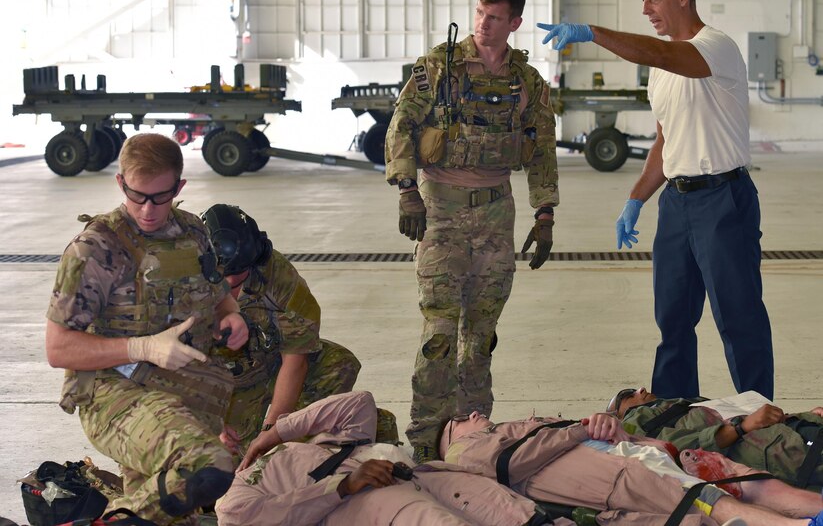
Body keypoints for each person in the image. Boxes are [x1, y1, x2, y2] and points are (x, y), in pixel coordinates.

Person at [538, 0, 775, 401]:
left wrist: (592, 32)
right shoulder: (662, 72)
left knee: (738, 316)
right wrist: (636, 200)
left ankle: (760, 418)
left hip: (724, 198)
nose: (646, 8)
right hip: (677, 205)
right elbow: (666, 142)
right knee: (673, 319)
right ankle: (672, 413)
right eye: (642, 0)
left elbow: (661, 53)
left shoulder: (715, 47)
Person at [384, 0, 559, 463]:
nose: (484, 23)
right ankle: (424, 440)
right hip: (441, 207)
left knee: (481, 335)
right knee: (440, 332)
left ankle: (472, 434)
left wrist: (545, 213)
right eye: (481, 12)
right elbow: (401, 125)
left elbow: (542, 146)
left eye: (495, 17)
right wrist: (406, 190)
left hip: (496, 211)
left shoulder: (526, 82)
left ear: (515, 23)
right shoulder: (438, 68)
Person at [45, 133, 249, 525]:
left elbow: (219, 295)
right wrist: (144, 348)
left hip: (186, 392)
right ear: (121, 182)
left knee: (169, 511)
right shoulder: (95, 248)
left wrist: (231, 316)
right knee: (207, 466)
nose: (149, 209)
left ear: (179, 187)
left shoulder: (192, 232)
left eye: (161, 196)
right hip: (113, 393)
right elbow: (59, 349)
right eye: (138, 196)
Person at [216, 391, 552, 526]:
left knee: (520, 514)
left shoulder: (326, 444)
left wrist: (274, 434)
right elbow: (266, 517)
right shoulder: (232, 497)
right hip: (363, 499)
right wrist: (343, 486)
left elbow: (358, 402)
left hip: (415, 476)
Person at [200, 204, 379, 457]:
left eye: (238, 274)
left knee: (338, 363)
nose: (230, 283)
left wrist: (272, 432)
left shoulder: (277, 277)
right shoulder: (185, 280)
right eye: (221, 275)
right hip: (219, 385)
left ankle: (314, 443)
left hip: (269, 362)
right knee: (219, 463)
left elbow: (294, 361)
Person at [440, 410, 823, 526]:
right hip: (622, 473)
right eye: (458, 419)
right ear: (449, 440)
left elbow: (584, 432)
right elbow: (510, 464)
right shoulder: (464, 453)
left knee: (751, 483)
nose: (473, 413)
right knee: (713, 503)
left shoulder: (513, 427)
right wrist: (579, 429)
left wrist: (609, 422)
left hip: (645, 454)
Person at [608, 386, 823, 488]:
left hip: (792, 432)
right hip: (785, 450)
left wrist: (804, 416)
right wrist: (743, 427)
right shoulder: (635, 423)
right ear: (617, 414)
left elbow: (753, 416)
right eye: (627, 395)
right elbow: (676, 450)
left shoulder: (678, 404)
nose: (640, 389)